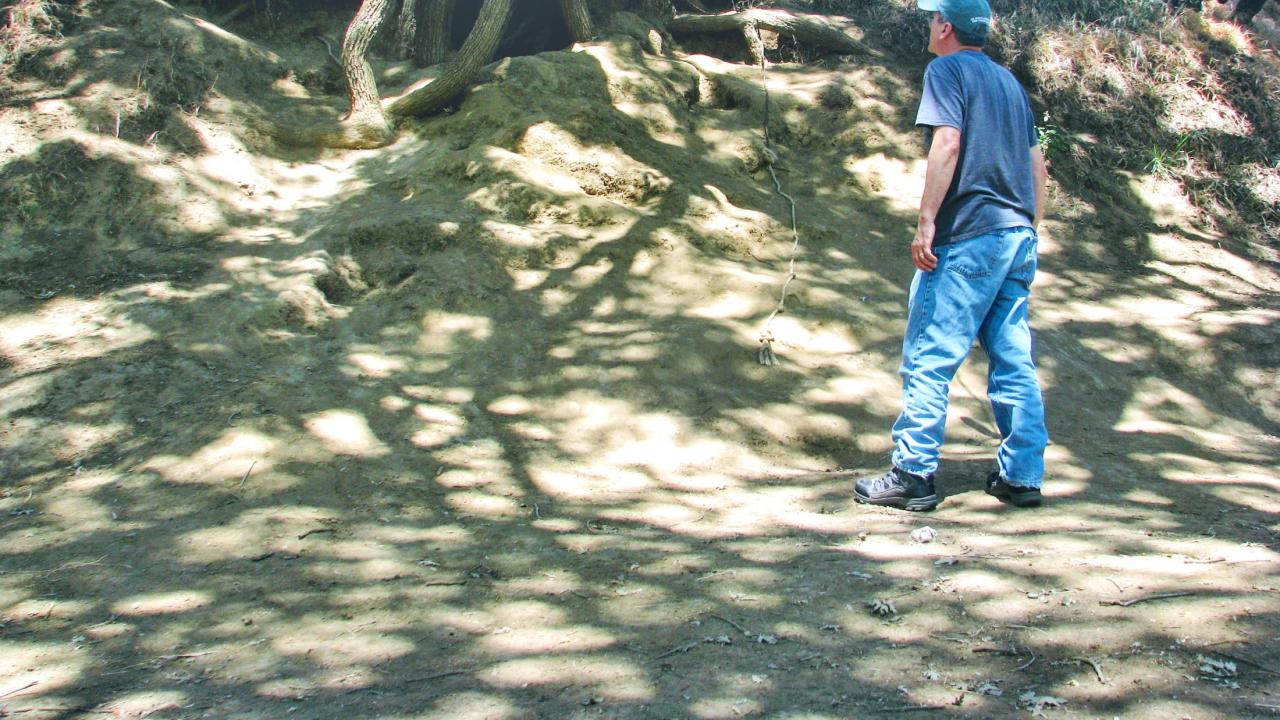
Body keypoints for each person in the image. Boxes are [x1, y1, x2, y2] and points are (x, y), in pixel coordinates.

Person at [854, 0, 1049, 511]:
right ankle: (1023, 476)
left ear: (945, 26)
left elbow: (948, 144)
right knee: (1014, 361)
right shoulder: (1009, 83)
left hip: (969, 236)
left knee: (929, 356)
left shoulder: (946, 69)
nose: (928, 25)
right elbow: (1038, 167)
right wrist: (1030, 228)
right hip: (1017, 236)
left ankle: (913, 474)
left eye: (930, 17)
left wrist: (926, 222)